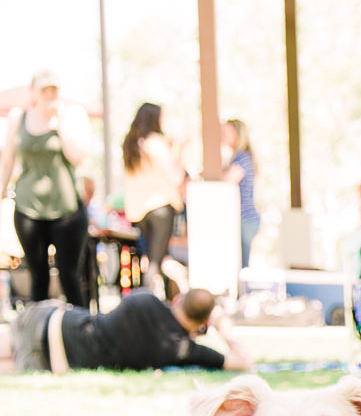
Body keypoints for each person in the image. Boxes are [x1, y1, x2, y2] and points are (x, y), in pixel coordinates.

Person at [0, 70, 92, 306]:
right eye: (45, 90)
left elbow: (78, 157)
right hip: (29, 209)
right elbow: (7, 159)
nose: (50, 95)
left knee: (70, 276)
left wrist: (59, 123)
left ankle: (81, 332)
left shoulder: (70, 115)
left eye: (54, 89)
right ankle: (38, 335)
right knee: (37, 276)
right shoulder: (18, 117)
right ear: (34, 93)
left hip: (67, 210)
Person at [4, 287, 252, 374]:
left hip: (52, 320)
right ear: (203, 324)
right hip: (54, 360)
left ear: (178, 300)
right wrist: (224, 327)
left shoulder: (144, 299)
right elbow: (243, 363)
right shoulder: (182, 349)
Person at [122, 103, 186, 294]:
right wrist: (179, 150)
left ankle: (163, 301)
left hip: (139, 212)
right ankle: (145, 306)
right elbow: (175, 177)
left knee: (153, 259)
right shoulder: (156, 143)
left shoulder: (131, 144)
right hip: (160, 207)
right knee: (156, 262)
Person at [221, 118, 260, 267]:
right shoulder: (239, 157)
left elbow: (227, 182)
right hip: (244, 218)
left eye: (226, 132)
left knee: (241, 264)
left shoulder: (242, 158)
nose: (222, 135)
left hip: (245, 218)